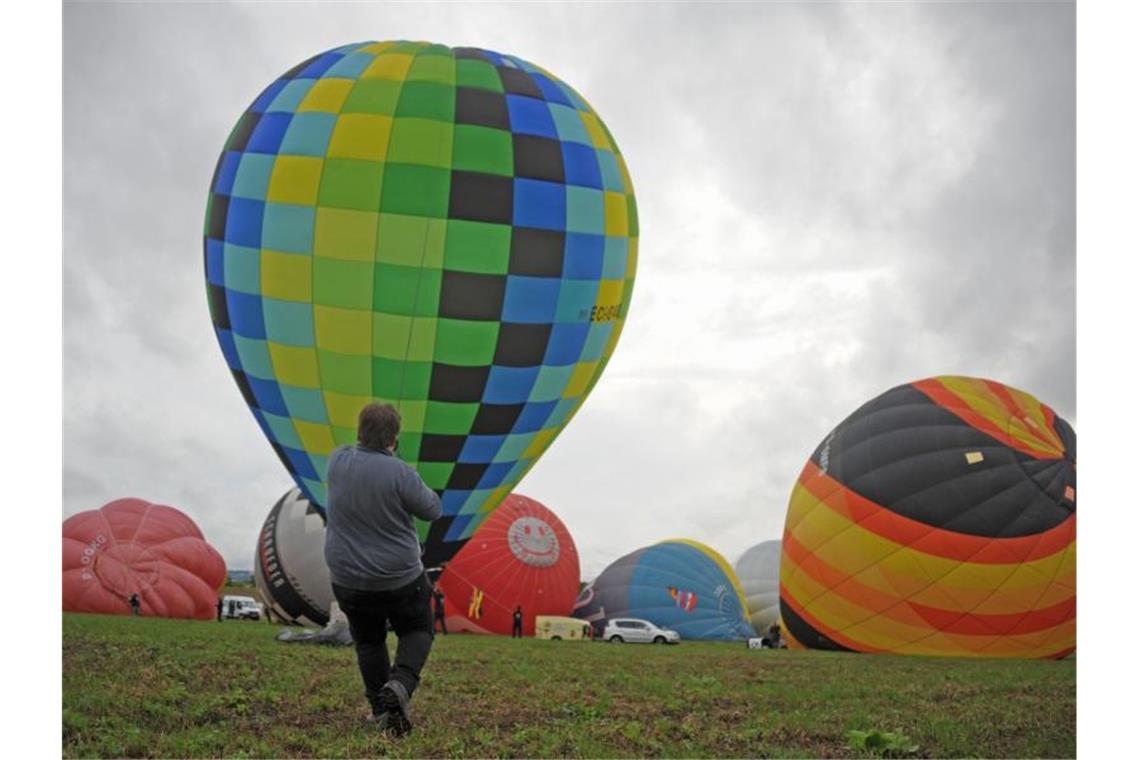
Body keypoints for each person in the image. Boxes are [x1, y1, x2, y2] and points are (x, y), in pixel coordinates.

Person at [324, 402, 442, 737]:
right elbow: (433, 509)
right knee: (418, 629)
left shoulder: (337, 461)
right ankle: (401, 684)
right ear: (394, 437)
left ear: (360, 431)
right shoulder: (402, 473)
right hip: (399, 577)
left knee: (369, 641)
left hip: (348, 578)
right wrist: (405, 470)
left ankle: (381, 712)